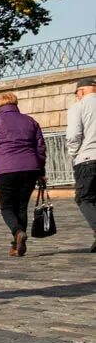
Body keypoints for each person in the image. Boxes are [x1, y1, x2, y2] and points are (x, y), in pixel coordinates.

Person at [0, 91, 46, 257]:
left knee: (7, 208)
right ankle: (16, 245)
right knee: (22, 207)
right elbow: (40, 148)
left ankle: (17, 233)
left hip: (6, 169)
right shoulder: (30, 121)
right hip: (30, 168)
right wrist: (40, 170)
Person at [70, 77, 96, 252]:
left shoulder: (78, 107)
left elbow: (73, 135)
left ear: (81, 91)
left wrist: (73, 154)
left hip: (87, 158)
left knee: (84, 198)